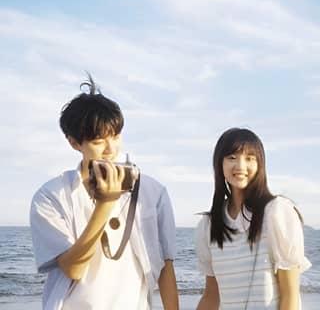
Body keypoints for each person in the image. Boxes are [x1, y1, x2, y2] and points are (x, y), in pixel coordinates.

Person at [30, 76, 179, 310]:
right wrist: (106, 203)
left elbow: (167, 267)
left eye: (116, 136)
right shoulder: (51, 196)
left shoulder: (153, 191)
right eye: (99, 140)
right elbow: (73, 269)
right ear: (74, 143)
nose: (111, 149)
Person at [195, 128, 311, 310]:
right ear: (219, 164)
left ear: (260, 164)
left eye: (250, 158)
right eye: (232, 157)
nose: (240, 166)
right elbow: (211, 296)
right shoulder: (208, 225)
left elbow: (290, 295)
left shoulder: (277, 213)